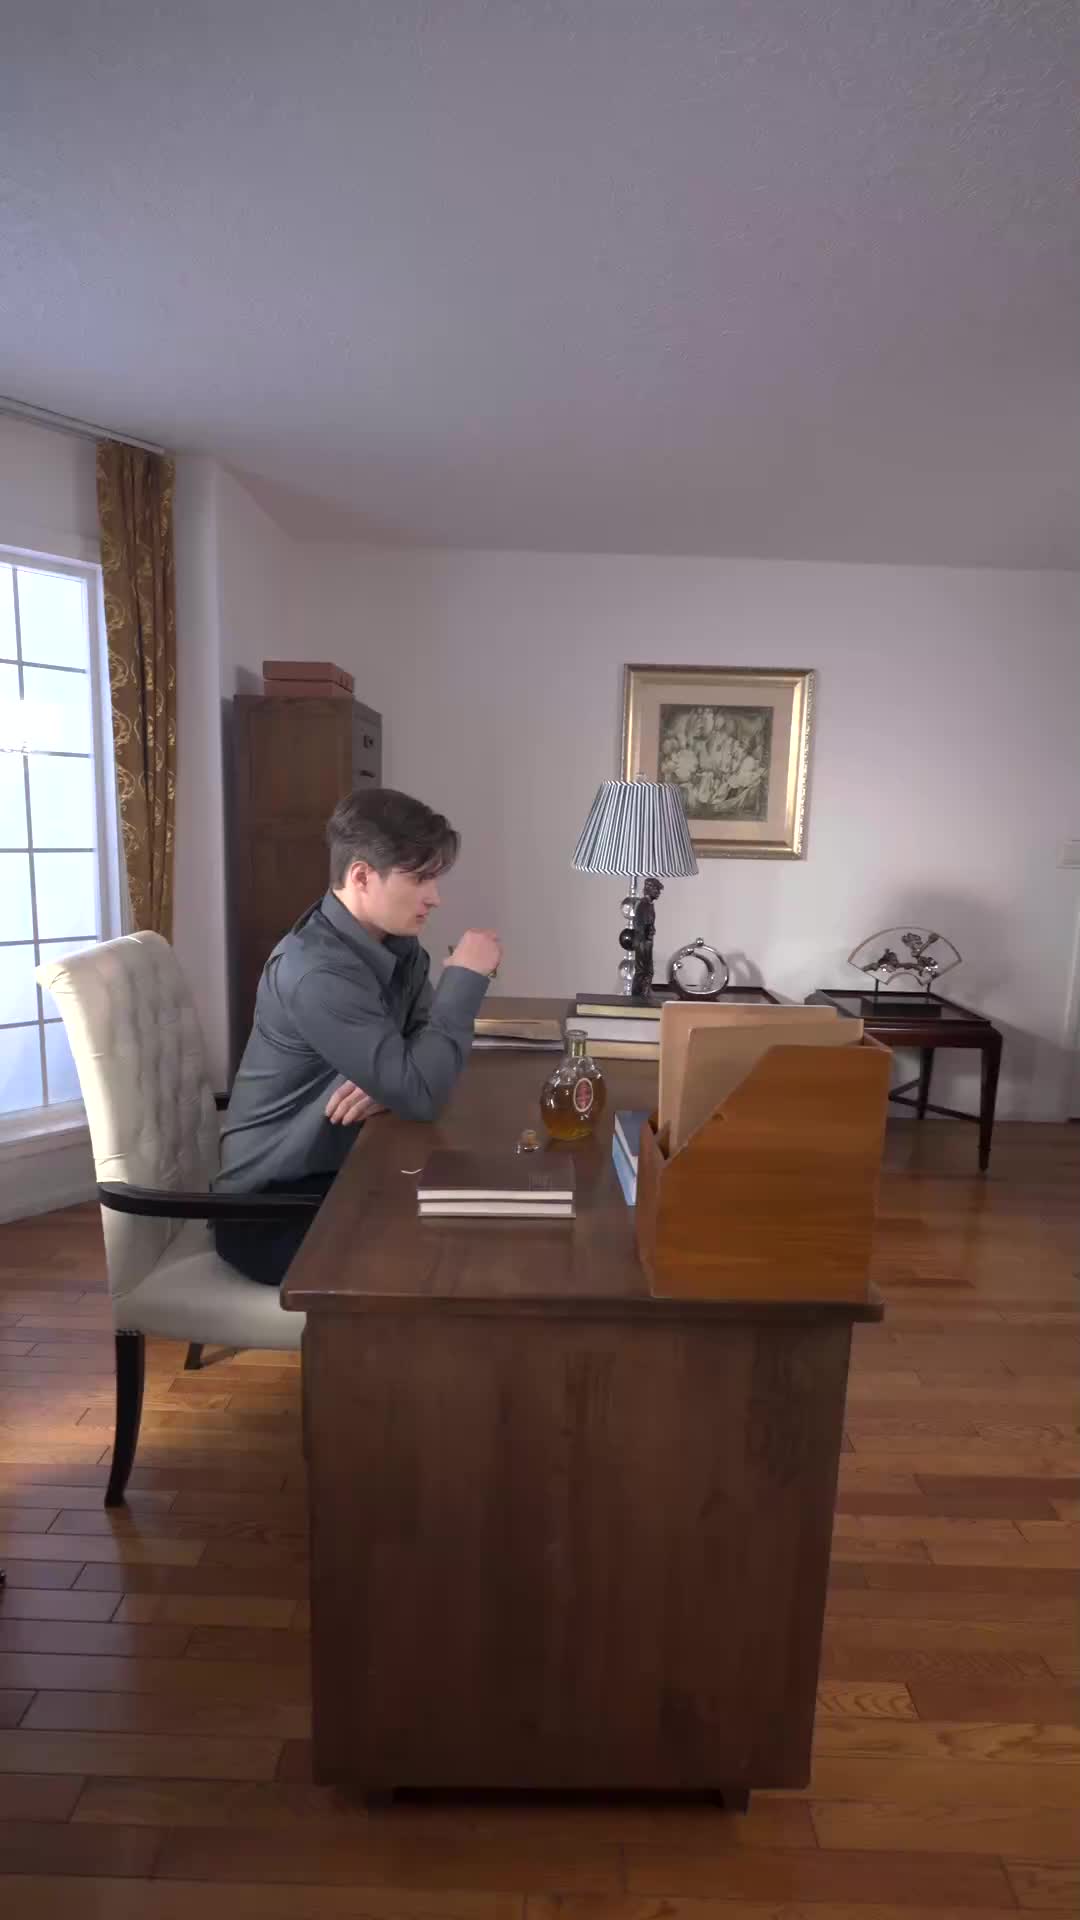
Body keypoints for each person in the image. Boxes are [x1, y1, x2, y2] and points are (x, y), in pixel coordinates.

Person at [214, 787, 502, 1284]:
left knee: (484, 1208)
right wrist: (465, 978)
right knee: (457, 1252)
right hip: (271, 1211)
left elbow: (419, 1053)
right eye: (420, 878)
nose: (435, 897)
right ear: (362, 876)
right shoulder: (317, 972)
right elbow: (424, 1090)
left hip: (342, 1173)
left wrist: (391, 1083)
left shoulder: (396, 945)